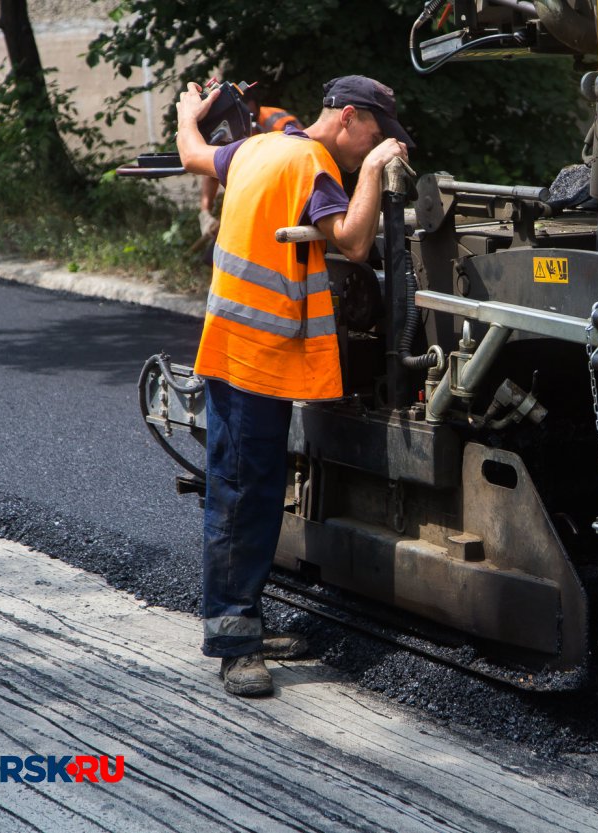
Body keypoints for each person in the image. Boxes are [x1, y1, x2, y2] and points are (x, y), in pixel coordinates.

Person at [175, 75, 412, 696]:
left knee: (244, 487)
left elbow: (192, 157)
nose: (377, 145)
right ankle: (234, 643)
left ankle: (241, 621)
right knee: (246, 493)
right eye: (377, 135)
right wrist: (374, 172)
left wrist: (186, 113)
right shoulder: (312, 161)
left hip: (231, 344)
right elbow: (355, 242)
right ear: (349, 120)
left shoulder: (259, 145)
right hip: (258, 354)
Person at [197, 88, 305, 253]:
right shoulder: (225, 128)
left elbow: (302, 166)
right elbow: (213, 169)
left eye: (249, 117)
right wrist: (205, 212)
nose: (244, 123)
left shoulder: (281, 125)